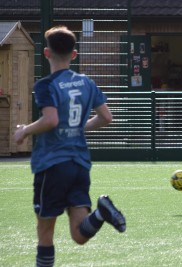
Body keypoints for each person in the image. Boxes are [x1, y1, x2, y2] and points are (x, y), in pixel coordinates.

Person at [13, 26, 126, 267]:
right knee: (78, 234)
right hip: (79, 165)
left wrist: (24, 131)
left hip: (52, 164)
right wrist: (78, 128)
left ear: (46, 53)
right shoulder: (86, 83)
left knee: (45, 233)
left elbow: (51, 120)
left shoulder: (45, 85)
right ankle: (101, 213)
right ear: (74, 54)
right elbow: (106, 117)